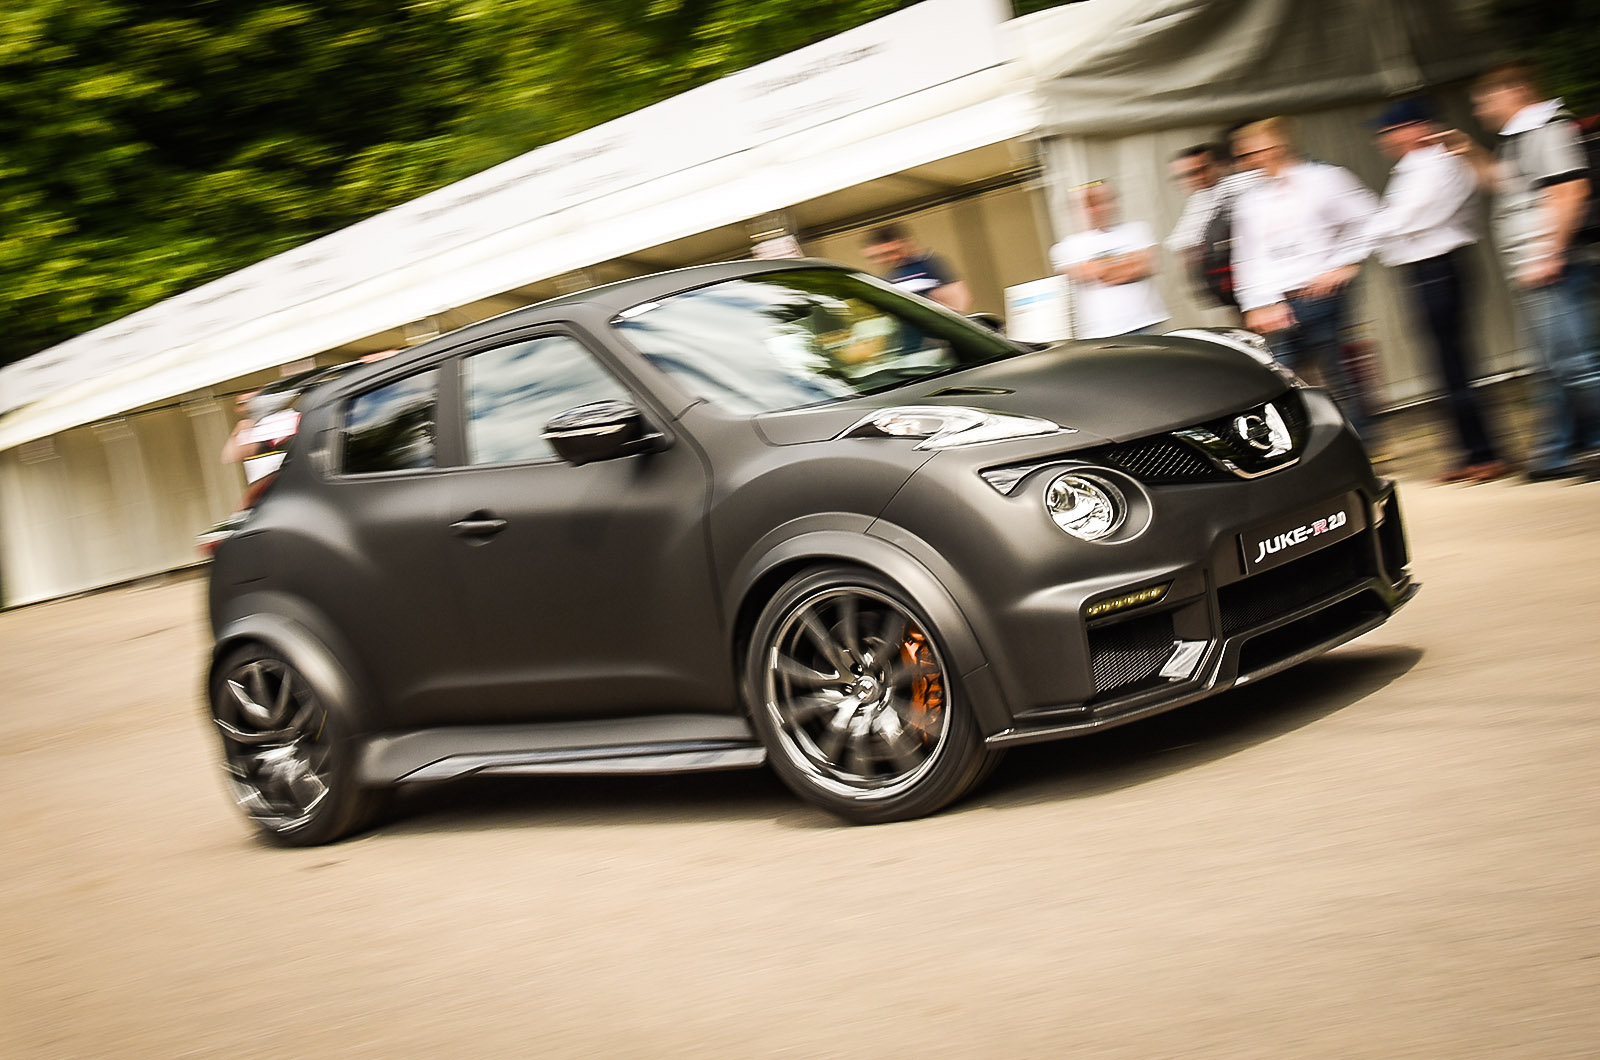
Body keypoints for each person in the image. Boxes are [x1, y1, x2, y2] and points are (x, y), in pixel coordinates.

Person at [1440, 61, 1600, 481]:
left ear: (1516, 92)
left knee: (1578, 365)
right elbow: (1507, 182)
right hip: (1539, 269)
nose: (1481, 110)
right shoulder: (1521, 136)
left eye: (1486, 100)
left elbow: (1570, 190)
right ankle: (1556, 456)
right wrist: (1468, 151)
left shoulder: (1548, 128)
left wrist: (1550, 254)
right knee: (1553, 368)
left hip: (1554, 268)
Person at [1369, 97, 1510, 483]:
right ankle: (1470, 452)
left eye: (1392, 130)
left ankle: (1484, 453)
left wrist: (1369, 232)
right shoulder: (1414, 168)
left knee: (1454, 364)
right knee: (1444, 366)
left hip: (1439, 268)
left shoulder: (1438, 165)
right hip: (1425, 271)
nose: (1386, 139)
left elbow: (1408, 218)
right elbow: (1395, 223)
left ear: (1417, 127)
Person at [1230, 116, 1379, 439]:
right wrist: (1257, 303)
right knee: (1279, 379)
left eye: (1254, 152)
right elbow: (1248, 256)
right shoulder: (1251, 200)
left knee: (1338, 372)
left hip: (1321, 295)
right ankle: (1307, 443)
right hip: (1280, 301)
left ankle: (1363, 440)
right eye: (1245, 155)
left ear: (1278, 147)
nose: (1249, 161)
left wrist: (1344, 265)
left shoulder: (1325, 180)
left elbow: (1369, 219)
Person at [1050, 180, 1169, 339]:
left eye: (1103, 201)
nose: (1098, 208)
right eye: (1090, 204)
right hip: (1101, 334)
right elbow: (1091, 273)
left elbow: (1143, 266)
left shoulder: (1138, 230)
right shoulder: (1066, 248)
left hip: (1147, 324)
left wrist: (1099, 268)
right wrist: (1125, 262)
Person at [1165, 141, 1259, 314]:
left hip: (1263, 281)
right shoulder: (1198, 199)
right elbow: (1181, 243)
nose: (1195, 178)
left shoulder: (1246, 182)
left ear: (1217, 165)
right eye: (1186, 175)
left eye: (1200, 170)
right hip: (1236, 289)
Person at [861, 224, 973, 313]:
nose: (887, 259)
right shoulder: (889, 279)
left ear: (904, 244)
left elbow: (959, 300)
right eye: (879, 256)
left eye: (890, 252)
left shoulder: (929, 264)